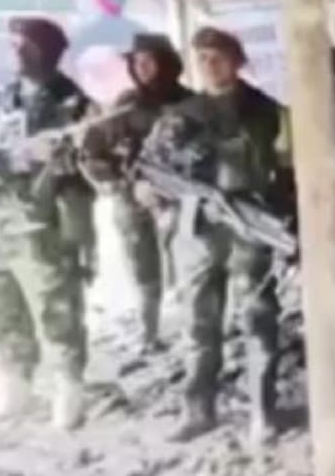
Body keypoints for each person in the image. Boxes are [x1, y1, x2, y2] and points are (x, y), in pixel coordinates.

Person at [138, 27, 292, 445]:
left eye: (218, 57)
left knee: (258, 319)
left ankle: (263, 410)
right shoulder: (181, 115)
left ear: (238, 61)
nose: (210, 65)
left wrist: (284, 222)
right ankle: (198, 410)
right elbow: (147, 170)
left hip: (250, 228)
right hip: (198, 231)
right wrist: (154, 194)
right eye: (202, 58)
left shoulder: (269, 113)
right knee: (198, 325)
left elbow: (290, 172)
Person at [0, 17, 94, 430]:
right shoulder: (1, 100)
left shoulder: (74, 105)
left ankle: (69, 389)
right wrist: (6, 161)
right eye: (13, 44)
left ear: (49, 51)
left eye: (26, 45)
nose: (16, 52)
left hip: (41, 219)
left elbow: (88, 168)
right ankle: (16, 386)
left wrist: (59, 161)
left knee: (55, 306)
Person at [82, 33, 192, 352]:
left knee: (189, 266)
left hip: (183, 200)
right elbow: (92, 153)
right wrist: (123, 184)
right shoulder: (125, 107)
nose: (141, 68)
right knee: (142, 267)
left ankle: (192, 332)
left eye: (149, 61)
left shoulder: (191, 105)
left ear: (167, 63)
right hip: (133, 201)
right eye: (136, 61)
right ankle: (149, 333)